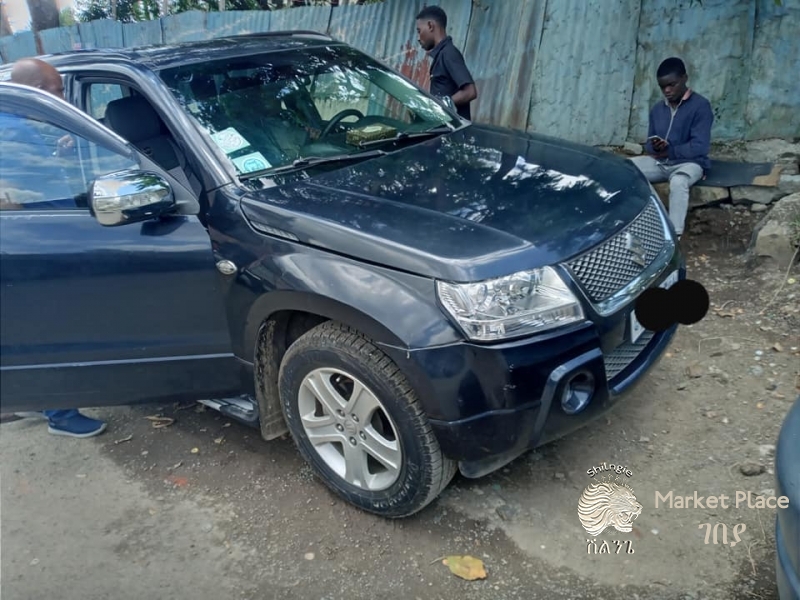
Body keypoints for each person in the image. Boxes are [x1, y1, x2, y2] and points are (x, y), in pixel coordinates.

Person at [6, 57, 107, 438]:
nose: (64, 97)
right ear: (33, 91)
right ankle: (60, 414)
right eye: (57, 90)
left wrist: (59, 154)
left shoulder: (19, 127)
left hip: (40, 236)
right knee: (50, 327)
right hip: (38, 242)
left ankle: (35, 397)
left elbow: (33, 175)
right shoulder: (14, 133)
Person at [630, 57, 714, 240]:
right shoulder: (657, 110)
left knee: (678, 182)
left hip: (690, 163)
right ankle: (645, 225)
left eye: (672, 85)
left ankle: (673, 237)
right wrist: (654, 146)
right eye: (663, 87)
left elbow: (700, 147)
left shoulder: (701, 106)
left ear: (685, 78)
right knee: (627, 169)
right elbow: (649, 142)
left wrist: (671, 150)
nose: (667, 90)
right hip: (661, 162)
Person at [415, 6, 477, 121]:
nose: (418, 38)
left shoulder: (448, 53)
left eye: (419, 31)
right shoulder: (442, 55)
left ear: (430, 26)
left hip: (455, 134)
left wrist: (440, 106)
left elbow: (470, 92)